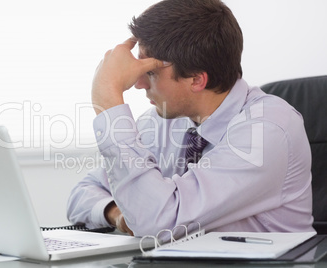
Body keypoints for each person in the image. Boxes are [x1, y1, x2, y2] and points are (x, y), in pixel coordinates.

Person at [67, 0, 314, 238]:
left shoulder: (268, 130)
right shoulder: (161, 122)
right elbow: (82, 193)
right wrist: (117, 212)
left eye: (149, 73)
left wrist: (109, 99)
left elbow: (159, 222)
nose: (138, 84)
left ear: (196, 79)